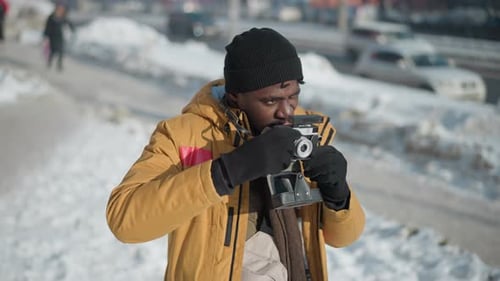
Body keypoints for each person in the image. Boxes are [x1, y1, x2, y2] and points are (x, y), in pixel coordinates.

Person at [106, 27, 365, 281]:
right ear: (235, 96)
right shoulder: (184, 135)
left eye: (293, 97)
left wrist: (338, 195)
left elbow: (344, 238)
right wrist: (229, 171)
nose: (286, 112)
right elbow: (125, 222)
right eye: (271, 101)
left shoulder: (306, 133)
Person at [43, 4, 74, 71]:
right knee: (52, 51)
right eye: (59, 9)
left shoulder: (63, 17)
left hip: (60, 36)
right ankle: (49, 62)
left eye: (61, 9)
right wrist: (46, 35)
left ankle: (59, 64)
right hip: (52, 36)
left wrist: (72, 29)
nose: (60, 10)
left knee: (61, 51)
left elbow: (69, 23)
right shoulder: (51, 17)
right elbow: (47, 27)